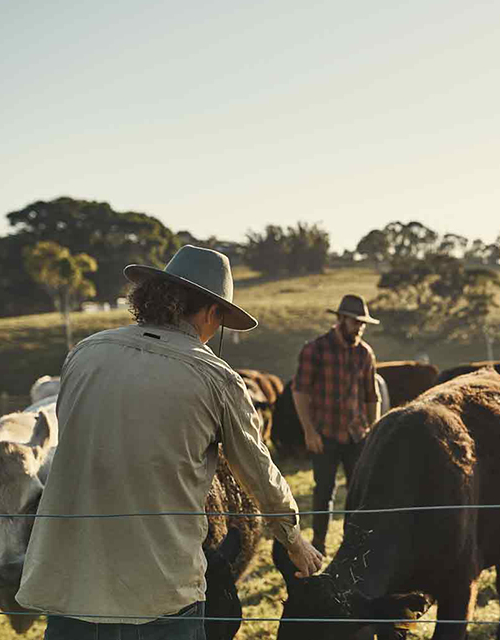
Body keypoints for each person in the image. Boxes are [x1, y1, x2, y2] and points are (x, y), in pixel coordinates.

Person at [17, 245, 322, 639]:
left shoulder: (85, 354)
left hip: (70, 585)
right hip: (158, 593)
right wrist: (293, 538)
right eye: (221, 320)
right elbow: (258, 471)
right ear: (212, 312)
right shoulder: (216, 377)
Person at [290, 294, 381, 554]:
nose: (360, 327)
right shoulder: (315, 349)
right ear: (340, 319)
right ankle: (319, 543)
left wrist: (372, 432)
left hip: (356, 435)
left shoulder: (365, 353)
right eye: (356, 322)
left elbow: (371, 396)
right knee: (324, 491)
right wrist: (309, 431)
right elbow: (300, 391)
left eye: (363, 323)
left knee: (357, 493)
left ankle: (351, 545)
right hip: (325, 433)